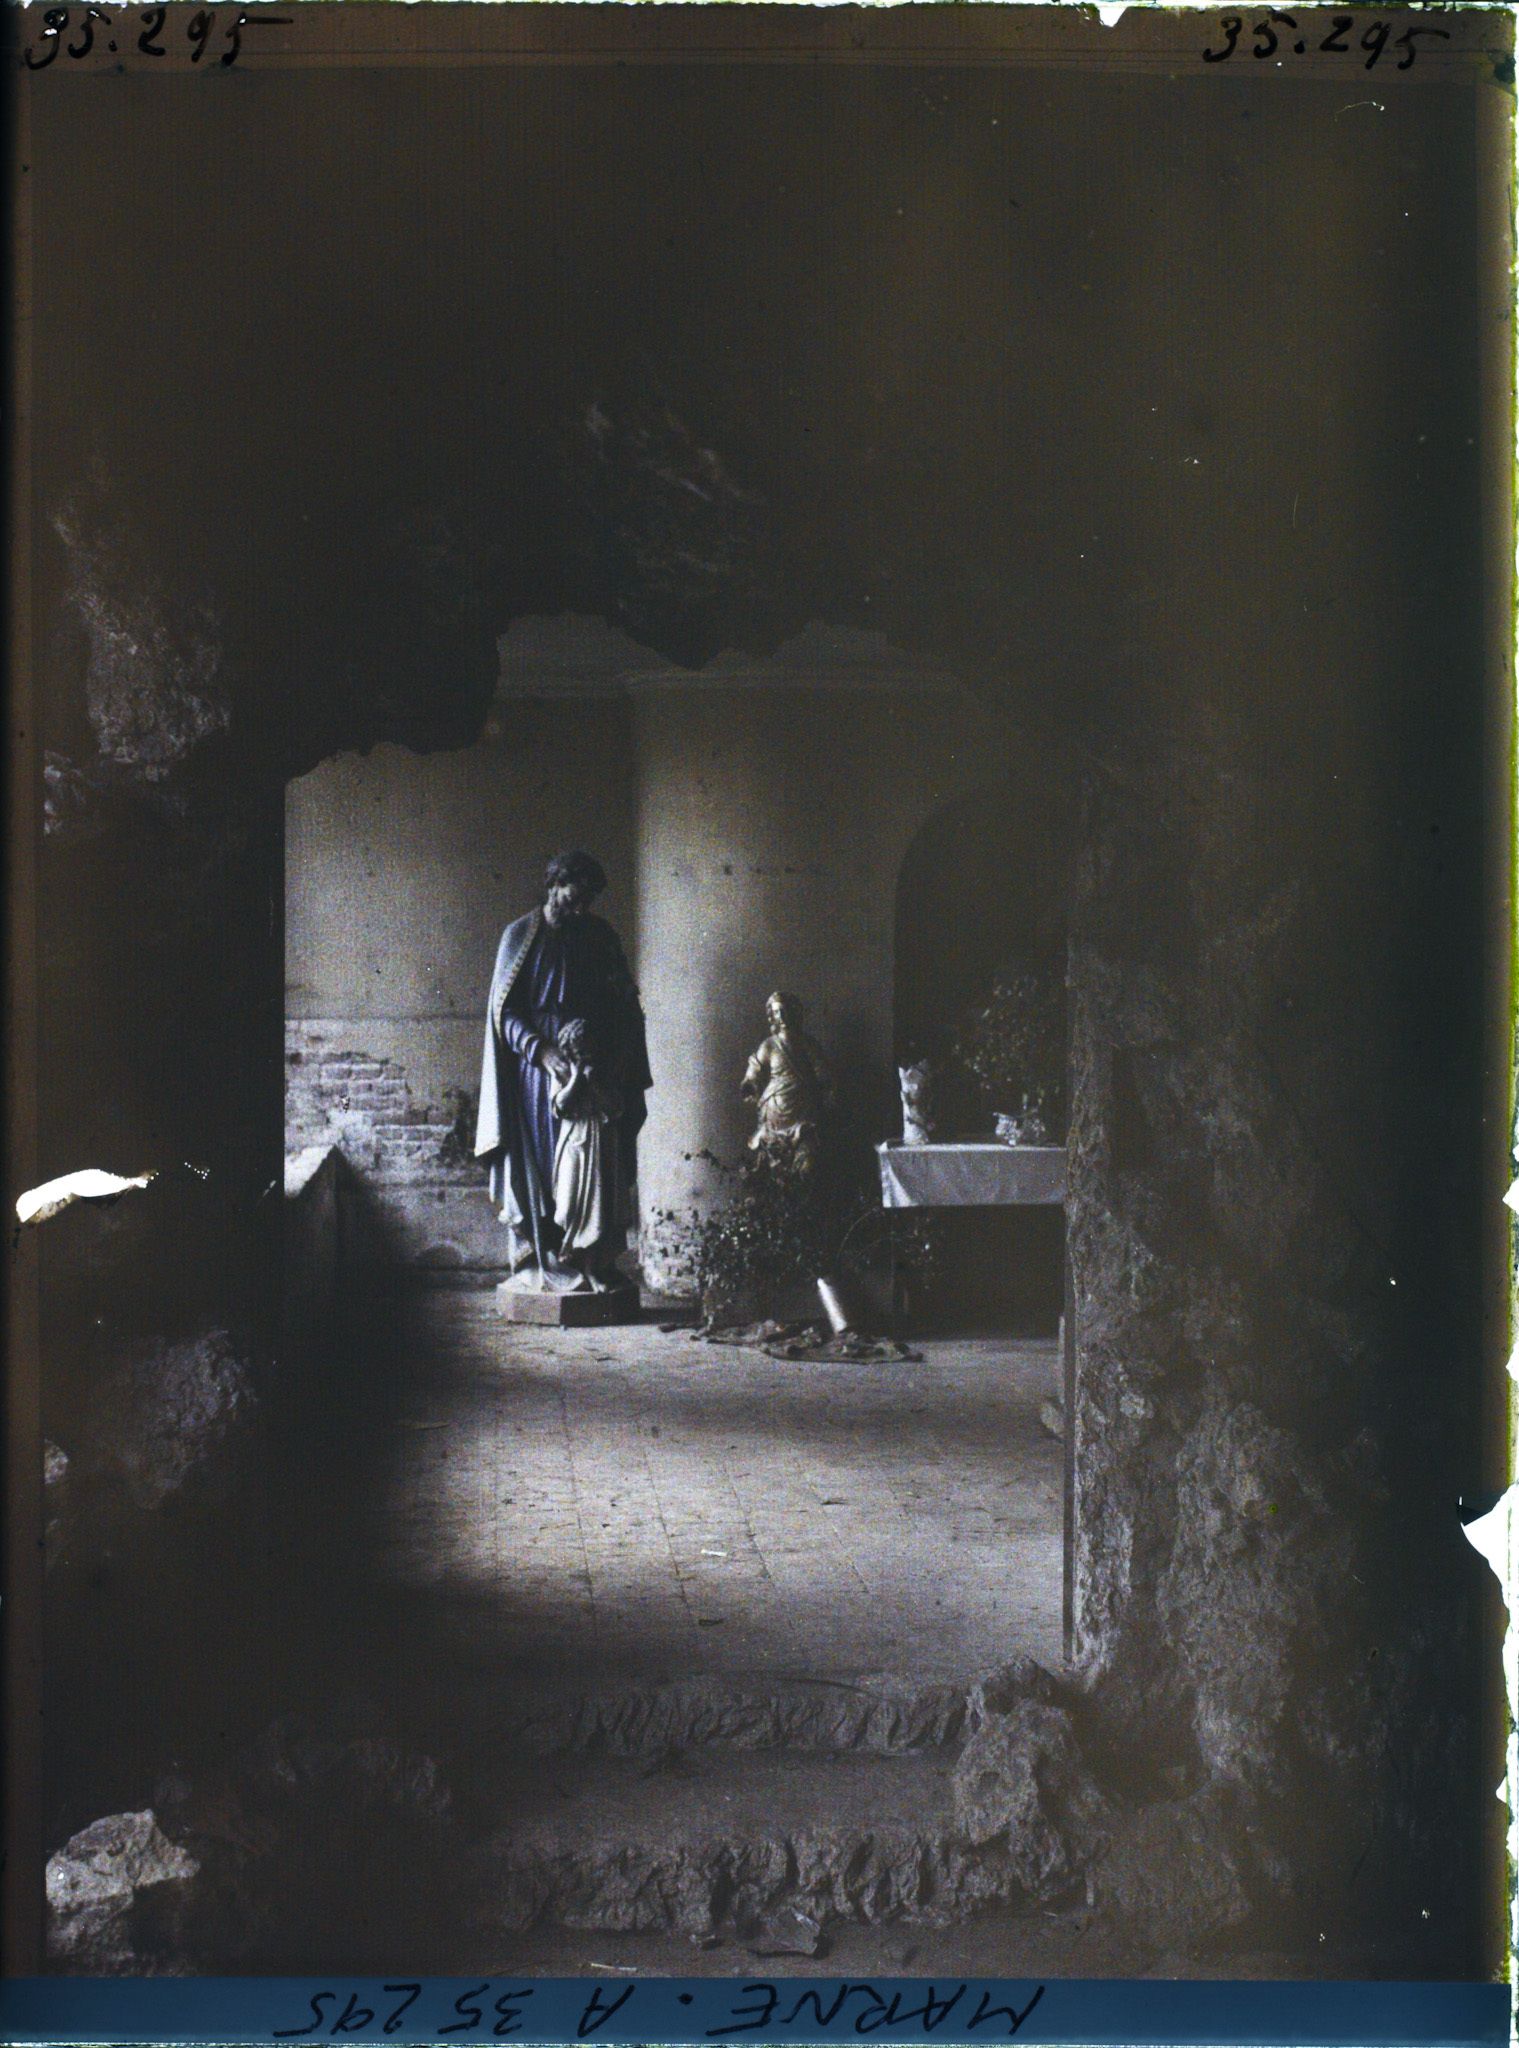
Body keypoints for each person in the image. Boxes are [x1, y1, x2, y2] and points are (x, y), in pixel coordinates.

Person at [474, 851, 650, 1281]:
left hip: (592, 1061)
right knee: (543, 1163)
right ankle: (544, 1254)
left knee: (591, 1166)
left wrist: (610, 1044)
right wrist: (541, 1050)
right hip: (537, 1072)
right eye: (575, 895)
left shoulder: (600, 936)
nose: (581, 907)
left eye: (589, 899)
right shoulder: (519, 936)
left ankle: (591, 1257)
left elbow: (623, 999)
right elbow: (505, 1013)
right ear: (554, 884)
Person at [549, 1017, 625, 1291]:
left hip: (602, 1143)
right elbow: (559, 1106)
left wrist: (595, 1084)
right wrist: (578, 1079)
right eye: (578, 1050)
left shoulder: (605, 1072)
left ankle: (593, 1270)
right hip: (574, 1143)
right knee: (569, 1206)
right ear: (569, 1050)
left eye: (588, 1048)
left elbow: (616, 1107)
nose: (584, 1054)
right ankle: (569, 1265)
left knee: (598, 1209)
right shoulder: (561, 1072)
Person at [741, 989, 832, 1176]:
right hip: (774, 1111)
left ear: (794, 1012)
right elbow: (755, 1069)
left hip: (803, 1109)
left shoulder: (808, 1044)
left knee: (807, 1163)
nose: (781, 1016)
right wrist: (749, 1083)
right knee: (774, 1163)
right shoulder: (769, 1046)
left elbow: (823, 1073)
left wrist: (828, 1090)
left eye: (784, 1010)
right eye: (776, 1012)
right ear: (771, 1017)